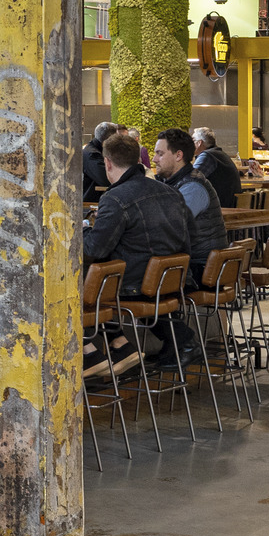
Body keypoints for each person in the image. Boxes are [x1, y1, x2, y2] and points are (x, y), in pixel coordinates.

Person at [81, 131, 190, 375]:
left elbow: (94, 248)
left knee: (78, 280)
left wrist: (80, 231)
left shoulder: (115, 197)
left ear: (107, 163)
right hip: (170, 283)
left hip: (134, 286)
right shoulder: (172, 192)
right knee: (103, 275)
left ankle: (87, 350)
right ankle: (119, 344)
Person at [154, 127, 226, 287]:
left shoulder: (193, 187)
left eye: (160, 154)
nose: (154, 159)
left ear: (178, 155)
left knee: (131, 280)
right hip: (192, 264)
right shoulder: (175, 183)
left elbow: (170, 227)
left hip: (199, 270)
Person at [191, 128, 242, 209]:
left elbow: (190, 179)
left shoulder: (207, 156)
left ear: (199, 143)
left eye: (193, 140)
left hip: (220, 207)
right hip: (231, 203)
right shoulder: (220, 154)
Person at [83, 121, 120, 202]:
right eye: (116, 139)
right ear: (108, 139)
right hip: (90, 203)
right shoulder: (92, 155)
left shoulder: (94, 150)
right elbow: (106, 179)